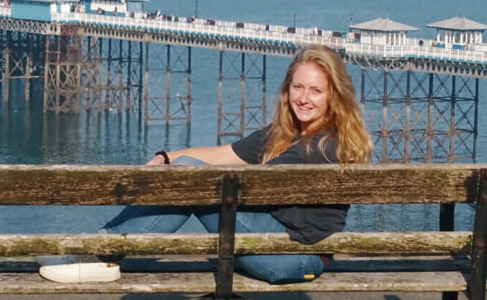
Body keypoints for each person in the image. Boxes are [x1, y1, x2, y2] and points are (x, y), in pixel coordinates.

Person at [39, 44, 374, 284]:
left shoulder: (323, 146)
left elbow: (248, 187)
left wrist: (179, 176)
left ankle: (103, 250)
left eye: (316, 91)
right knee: (189, 170)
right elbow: (227, 153)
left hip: (294, 257)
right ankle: (102, 245)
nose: (304, 98)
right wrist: (169, 158)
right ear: (287, 90)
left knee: (194, 185)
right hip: (275, 243)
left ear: (334, 95)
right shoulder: (288, 134)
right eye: (298, 87)